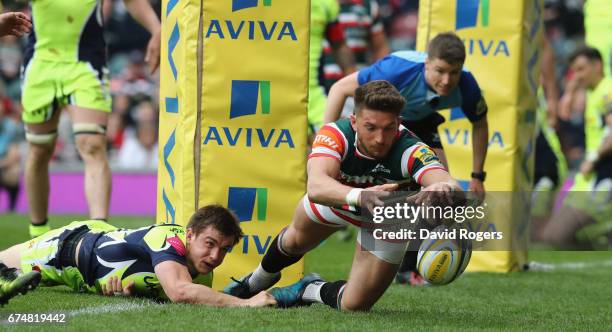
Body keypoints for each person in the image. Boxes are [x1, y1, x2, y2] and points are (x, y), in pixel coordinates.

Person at [224, 81, 462, 311]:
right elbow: (316, 186)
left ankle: (309, 289)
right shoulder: (335, 134)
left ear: (398, 122)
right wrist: (359, 196)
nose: (380, 138)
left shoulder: (411, 149)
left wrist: (445, 188)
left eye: (388, 128)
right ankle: (254, 282)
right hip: (342, 199)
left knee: (354, 305)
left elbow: (447, 182)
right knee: (293, 241)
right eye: (371, 127)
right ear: (354, 121)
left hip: (385, 219)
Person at [324, 31, 488, 285]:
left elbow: (480, 124)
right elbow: (339, 88)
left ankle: (410, 267)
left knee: (442, 192)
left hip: (423, 122)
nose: (446, 80)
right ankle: (377, 247)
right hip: (388, 127)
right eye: (440, 71)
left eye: (454, 72)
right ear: (426, 64)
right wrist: (328, 146)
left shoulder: (467, 85)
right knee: (389, 194)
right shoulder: (396, 70)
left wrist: (478, 176)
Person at [19, 0, 161, 238]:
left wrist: (157, 29)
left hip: (86, 64)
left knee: (93, 145)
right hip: (40, 65)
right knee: (39, 149)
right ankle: (38, 234)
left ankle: (98, 234)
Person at [0, 205, 277, 307]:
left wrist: (131, 294)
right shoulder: (170, 239)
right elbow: (179, 292)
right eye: (210, 243)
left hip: (90, 253)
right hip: (65, 249)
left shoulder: (202, 279)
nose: (216, 255)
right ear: (189, 234)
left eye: (224, 249)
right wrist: (245, 304)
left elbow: (171, 289)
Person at [541, 47, 612, 247]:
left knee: (556, 236)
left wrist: (593, 159)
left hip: (602, 173)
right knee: (554, 236)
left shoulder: (607, 90)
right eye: (574, 71)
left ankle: (603, 237)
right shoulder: (592, 91)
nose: (577, 76)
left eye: (581, 69)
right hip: (588, 177)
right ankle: (602, 240)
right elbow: (564, 114)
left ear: (597, 65)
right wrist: (570, 92)